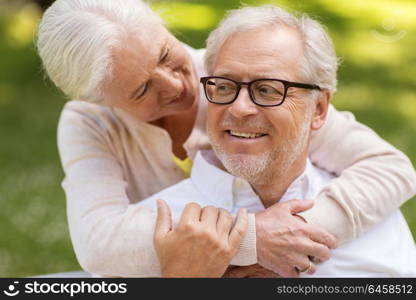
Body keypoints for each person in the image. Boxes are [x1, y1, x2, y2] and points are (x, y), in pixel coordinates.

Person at [36, 0, 416, 277]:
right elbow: (101, 247)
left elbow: (390, 168)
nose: (177, 84)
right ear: (103, 101)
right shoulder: (90, 123)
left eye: (167, 54)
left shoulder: (234, 77)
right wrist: (250, 242)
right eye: (142, 89)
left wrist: (299, 240)